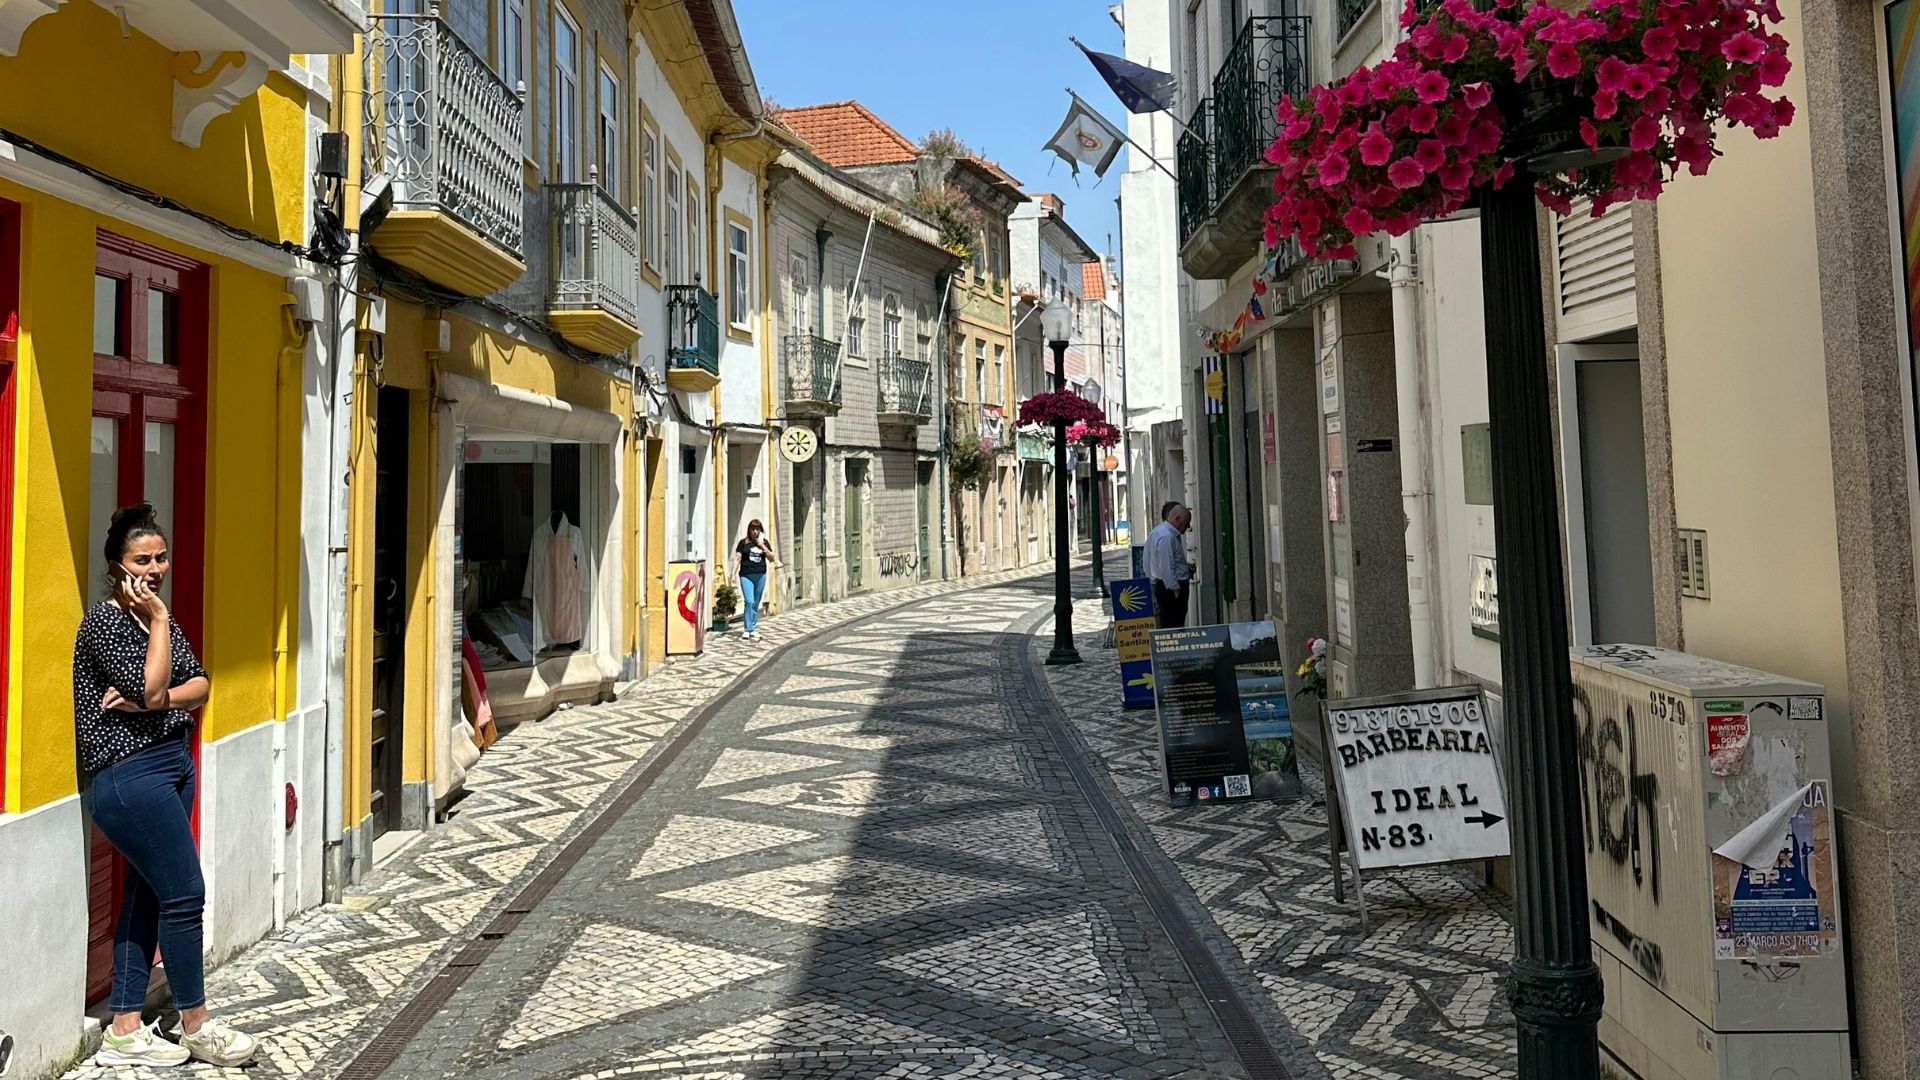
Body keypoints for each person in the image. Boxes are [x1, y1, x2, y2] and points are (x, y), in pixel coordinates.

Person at [75, 504, 256, 1068]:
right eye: (140, 560)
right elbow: (153, 688)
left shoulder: (159, 621)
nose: (154, 569)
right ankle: (197, 1026)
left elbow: (197, 684)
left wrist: (162, 696)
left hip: (172, 763)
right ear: (116, 566)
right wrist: (158, 641)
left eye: (160, 557)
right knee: (185, 893)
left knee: (147, 894)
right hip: (128, 776)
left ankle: (126, 1026)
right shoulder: (106, 623)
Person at [1146, 501, 1194, 629]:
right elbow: (1166, 567)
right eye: (1186, 522)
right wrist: (1175, 589)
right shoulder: (1167, 537)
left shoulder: (1158, 532)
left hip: (1163, 586)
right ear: (1177, 519)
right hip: (1170, 590)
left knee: (1170, 625)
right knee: (1173, 626)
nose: (1188, 526)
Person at [730, 518, 779, 642]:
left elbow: (772, 558)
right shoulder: (743, 543)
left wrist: (762, 546)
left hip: (760, 575)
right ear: (749, 530)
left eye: (757, 529)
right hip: (746, 575)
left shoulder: (764, 543)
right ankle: (748, 629)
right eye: (753, 529)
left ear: (761, 530)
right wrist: (733, 574)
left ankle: (753, 628)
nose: (755, 532)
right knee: (749, 601)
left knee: (756, 602)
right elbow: (737, 559)